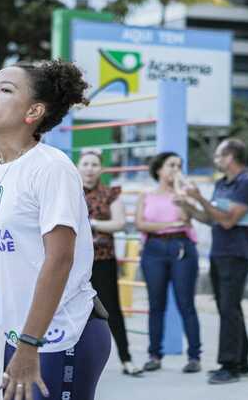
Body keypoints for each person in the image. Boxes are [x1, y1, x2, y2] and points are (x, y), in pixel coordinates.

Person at [0, 60, 111, 400]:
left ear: (33, 111)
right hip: (23, 337)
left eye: (5, 90)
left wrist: (31, 344)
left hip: (62, 335)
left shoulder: (51, 167)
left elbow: (59, 260)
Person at [176, 138, 248, 385]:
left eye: (218, 156)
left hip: (237, 254)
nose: (216, 160)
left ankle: (229, 366)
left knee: (229, 308)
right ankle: (241, 361)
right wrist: (190, 207)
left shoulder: (247, 184)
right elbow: (211, 218)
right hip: (219, 252)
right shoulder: (222, 184)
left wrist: (199, 198)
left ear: (230, 157)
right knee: (230, 307)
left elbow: (228, 221)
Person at [135, 152, 202, 374]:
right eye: (171, 165)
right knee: (156, 305)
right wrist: (169, 223)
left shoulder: (183, 195)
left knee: (186, 304)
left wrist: (181, 192)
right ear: (159, 169)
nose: (175, 169)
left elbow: (185, 220)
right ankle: (154, 354)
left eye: (179, 165)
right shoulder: (146, 195)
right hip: (153, 250)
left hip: (181, 247)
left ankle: (194, 356)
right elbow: (140, 224)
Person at [77, 149, 143, 377]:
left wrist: (89, 223)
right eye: (85, 164)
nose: (89, 168)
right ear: (78, 167)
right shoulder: (69, 191)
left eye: (94, 164)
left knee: (111, 310)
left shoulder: (110, 194)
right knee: (73, 311)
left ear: (101, 169)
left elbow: (119, 223)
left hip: (103, 260)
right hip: (73, 262)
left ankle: (126, 358)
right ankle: (75, 361)